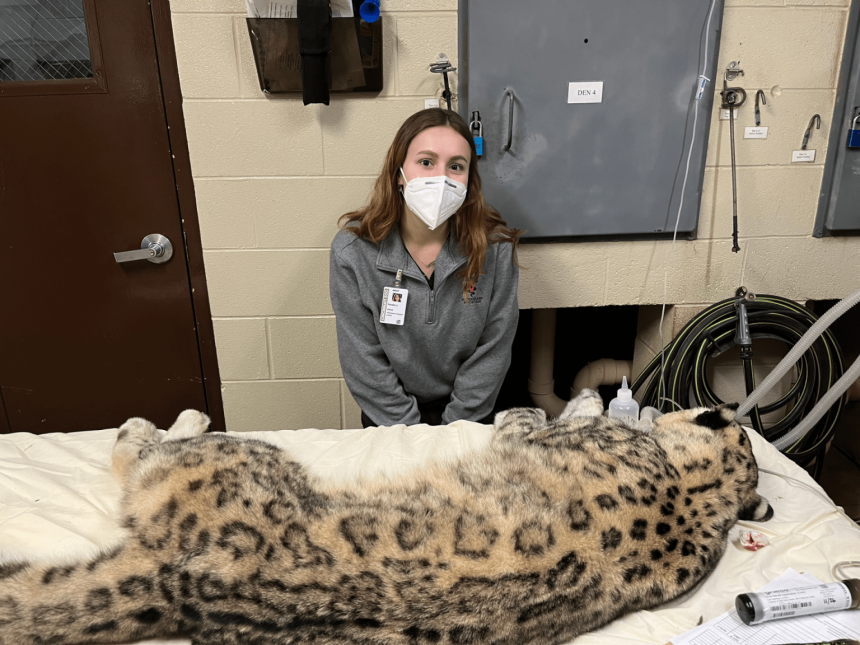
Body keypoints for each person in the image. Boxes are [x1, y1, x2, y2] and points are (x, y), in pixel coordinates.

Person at [329, 108, 522, 428]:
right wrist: (410, 434)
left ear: (469, 181)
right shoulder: (353, 253)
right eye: (426, 162)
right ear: (398, 173)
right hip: (389, 415)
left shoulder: (495, 249)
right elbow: (362, 359)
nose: (441, 178)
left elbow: (494, 349)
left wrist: (455, 428)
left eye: (456, 166)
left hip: (469, 413)